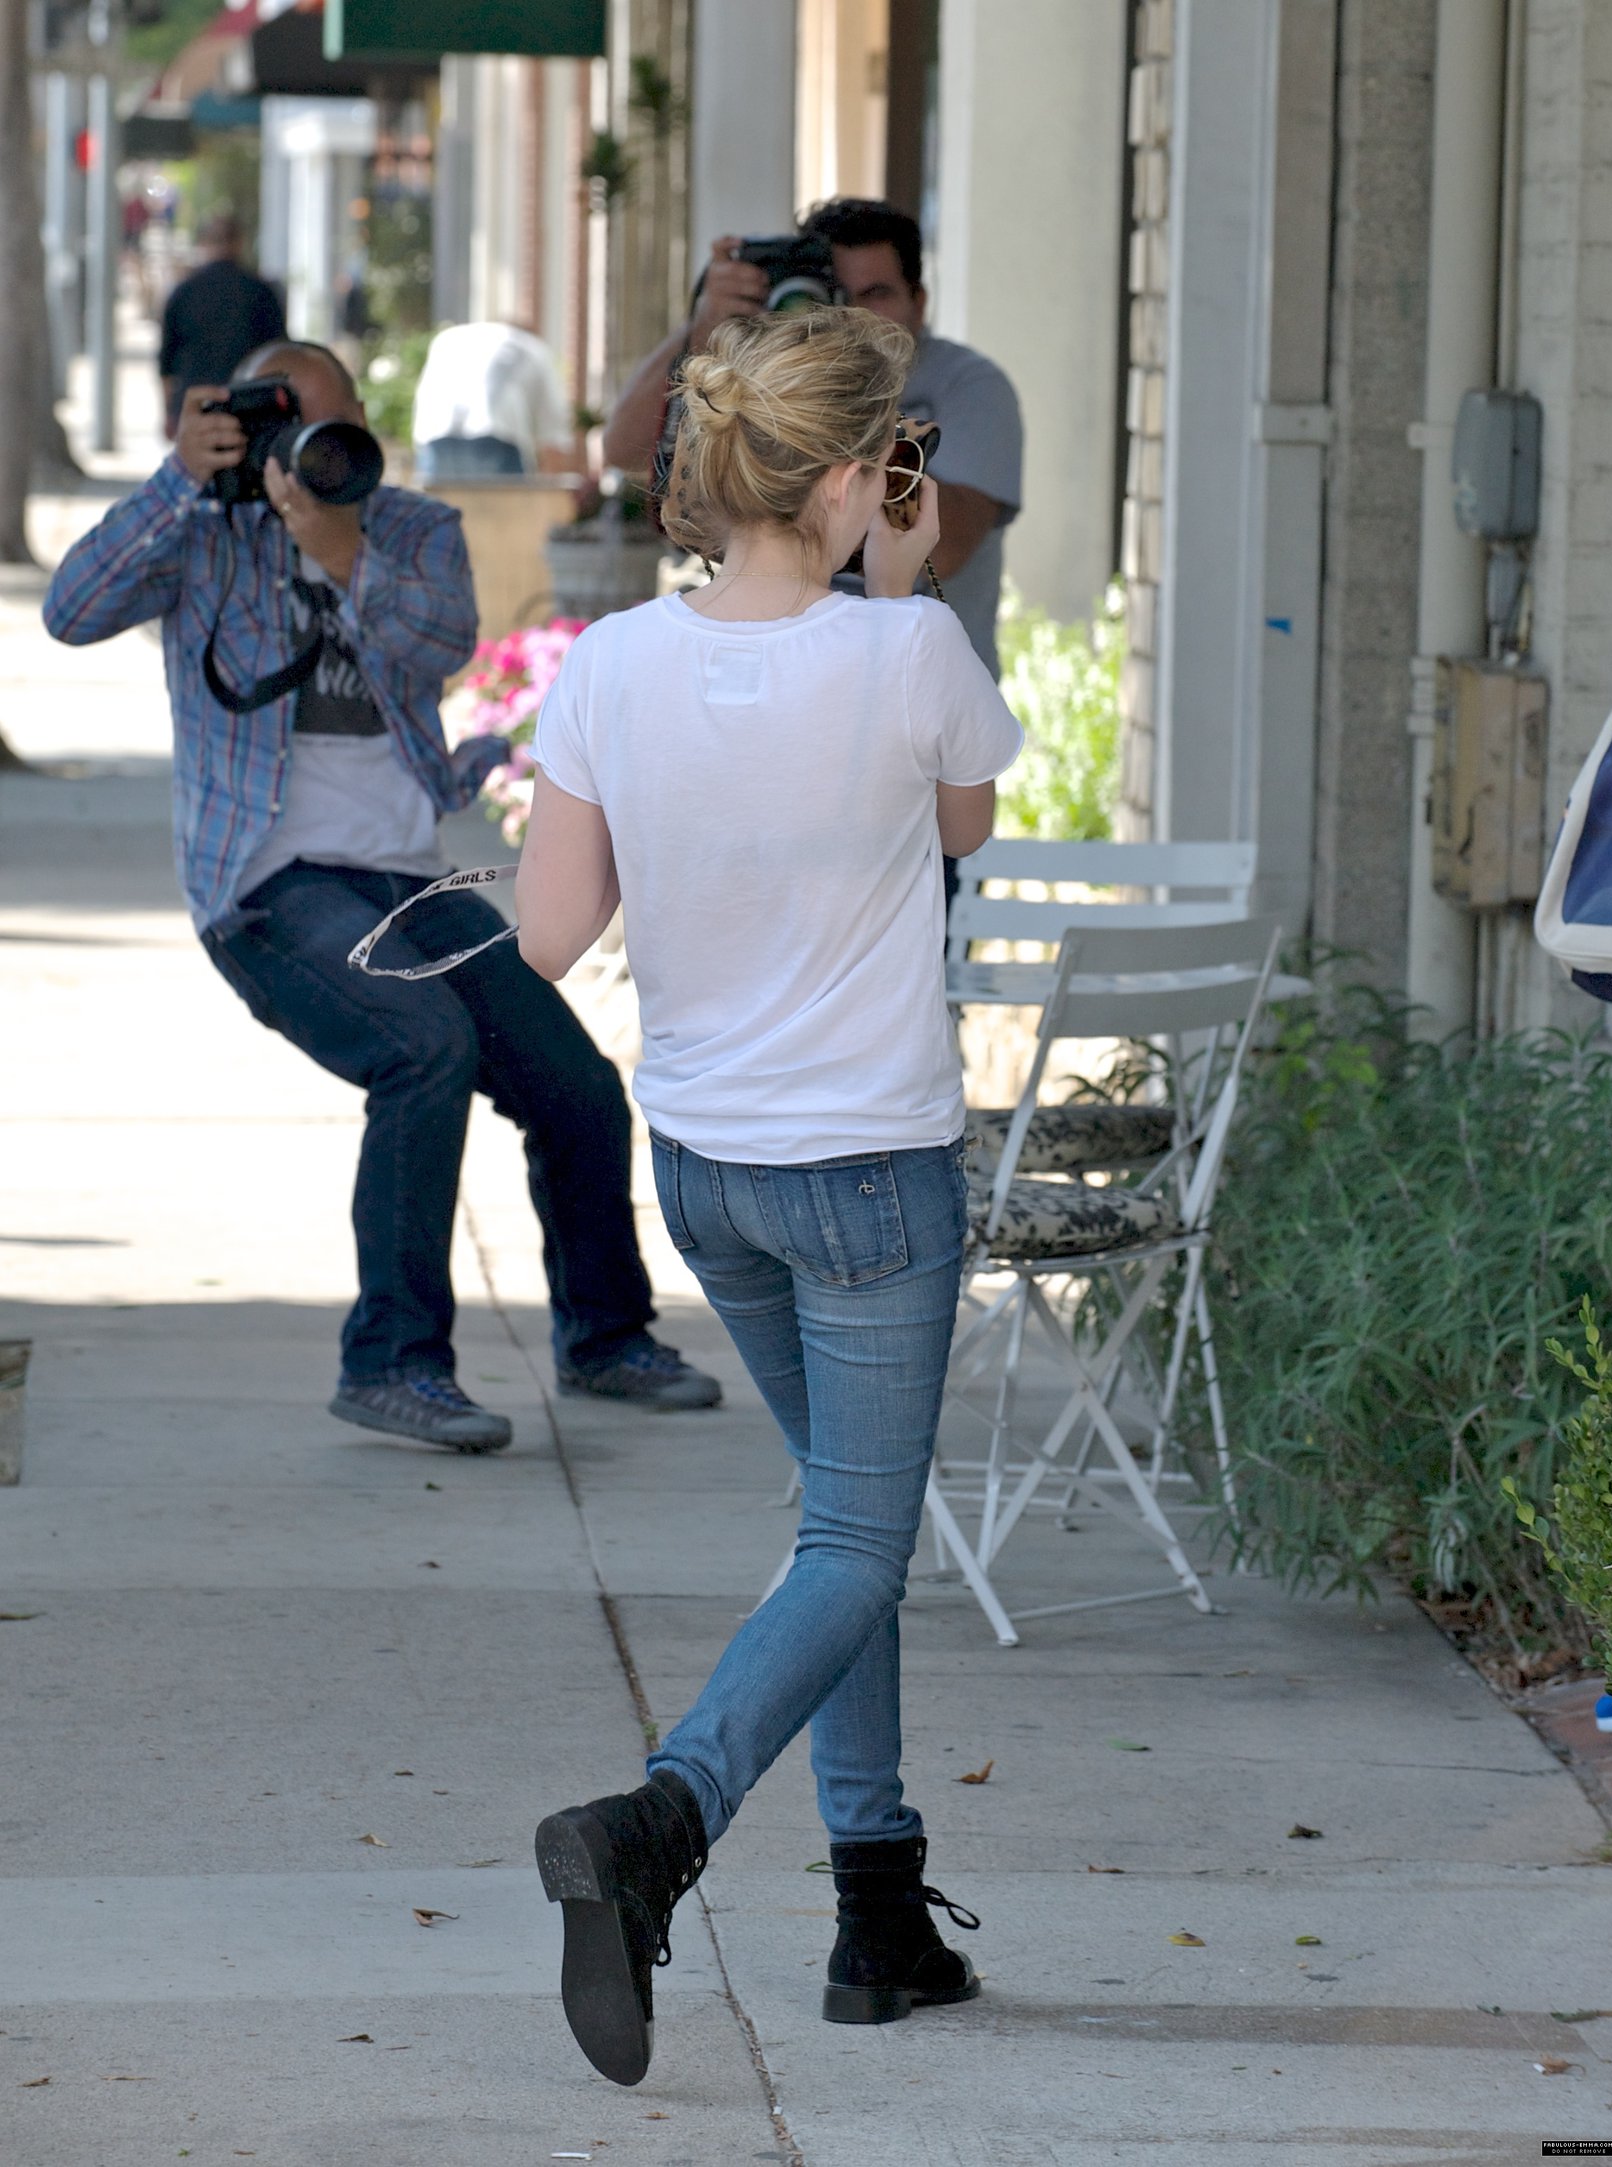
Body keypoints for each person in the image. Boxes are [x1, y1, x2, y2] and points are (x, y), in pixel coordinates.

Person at [519, 307, 1023, 2086]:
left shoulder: (605, 668)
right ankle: (663, 1816)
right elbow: (960, 822)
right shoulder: (905, 655)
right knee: (856, 1543)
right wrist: (897, 584)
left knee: (835, 1525)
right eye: (897, 461)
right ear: (844, 477)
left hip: (707, 1170)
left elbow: (550, 934)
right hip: (869, 1174)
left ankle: (876, 1911)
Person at [43, 338, 720, 1449]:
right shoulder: (203, 528)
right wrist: (178, 476)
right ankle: (395, 1362)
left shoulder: (409, 526)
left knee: (578, 1085)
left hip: (404, 876)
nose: (309, 447)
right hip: (266, 882)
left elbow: (439, 643)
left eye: (330, 422)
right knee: (420, 1044)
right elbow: (70, 611)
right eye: (281, 422)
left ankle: (606, 1337)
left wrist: (339, 544)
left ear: (364, 422)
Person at [602, 196, 1022, 682]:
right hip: (773, 681)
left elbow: (945, 551)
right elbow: (621, 451)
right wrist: (704, 331)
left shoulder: (969, 385)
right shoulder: (760, 381)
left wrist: (818, 440)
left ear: (919, 301)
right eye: (834, 293)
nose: (852, 315)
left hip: (919, 691)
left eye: (876, 294)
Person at [157, 211, 286, 437]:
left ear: (203, 244)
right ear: (240, 242)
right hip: (249, 409)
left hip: (195, 407)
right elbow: (280, 357)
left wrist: (168, 413)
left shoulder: (183, 293)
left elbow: (167, 364)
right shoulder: (261, 292)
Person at [412, 321, 575, 483]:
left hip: (435, 433)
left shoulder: (449, 338)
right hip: (495, 432)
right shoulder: (533, 347)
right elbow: (554, 430)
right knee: (500, 506)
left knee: (441, 504)